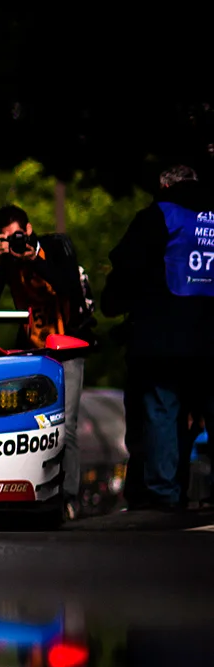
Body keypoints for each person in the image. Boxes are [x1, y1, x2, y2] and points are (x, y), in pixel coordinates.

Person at [101, 164, 214, 510]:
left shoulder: (158, 215)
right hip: (210, 335)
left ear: (164, 186)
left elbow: (127, 267)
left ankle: (165, 495)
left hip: (164, 337)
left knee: (163, 412)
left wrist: (115, 305)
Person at [0, 202, 93, 347]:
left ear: (28, 229)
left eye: (17, 236)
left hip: (68, 342)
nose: (14, 243)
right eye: (7, 239)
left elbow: (69, 288)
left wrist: (35, 260)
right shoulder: (8, 261)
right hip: (32, 347)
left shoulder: (54, 247)